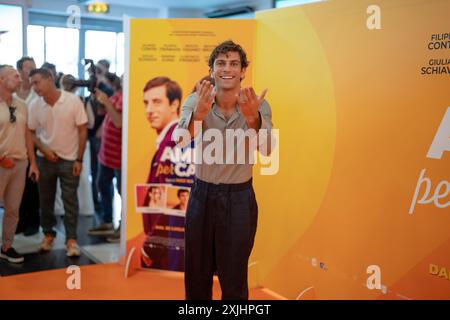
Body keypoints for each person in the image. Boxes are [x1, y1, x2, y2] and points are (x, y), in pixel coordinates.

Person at [174, 40, 274, 300]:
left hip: (239, 199)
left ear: (243, 71)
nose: (227, 68)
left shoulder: (259, 104)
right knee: (197, 275)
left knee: (234, 277)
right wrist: (198, 115)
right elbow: (180, 141)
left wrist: (253, 118)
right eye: (221, 63)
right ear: (211, 69)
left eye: (234, 63)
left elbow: (267, 150)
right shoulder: (196, 100)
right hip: (202, 196)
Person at [28, 68, 88, 257]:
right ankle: (48, 234)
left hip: (70, 160)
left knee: (70, 201)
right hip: (45, 159)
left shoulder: (72, 101)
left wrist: (79, 159)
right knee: (45, 200)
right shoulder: (35, 105)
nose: (34, 87)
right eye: (32, 84)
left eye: (37, 82)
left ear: (50, 79)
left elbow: (82, 130)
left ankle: (71, 240)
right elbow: (29, 132)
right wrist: (43, 150)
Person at [140, 76, 195, 271]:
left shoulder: (173, 140)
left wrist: (152, 245)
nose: (149, 110)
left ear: (174, 105)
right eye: (146, 103)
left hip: (169, 241)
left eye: (156, 102)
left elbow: (172, 200)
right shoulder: (170, 138)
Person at [0, 65, 39, 263]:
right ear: (1, 80)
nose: (20, 79)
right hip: (1, 163)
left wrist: (32, 162)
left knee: (13, 209)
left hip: (20, 163)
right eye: (15, 76)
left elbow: (27, 135)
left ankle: (6, 246)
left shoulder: (22, 104)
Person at [88, 73, 123, 237]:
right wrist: (98, 100)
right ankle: (107, 220)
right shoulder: (118, 95)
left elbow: (119, 122)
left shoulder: (129, 98)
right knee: (102, 185)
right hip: (106, 154)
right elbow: (104, 113)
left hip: (120, 157)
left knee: (122, 192)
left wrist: (106, 102)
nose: (122, 80)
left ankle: (123, 227)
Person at [15, 57, 40, 236]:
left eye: (34, 67)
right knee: (18, 187)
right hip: (16, 144)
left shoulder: (37, 92)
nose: (31, 71)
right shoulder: (12, 94)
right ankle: (21, 221)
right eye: (28, 68)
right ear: (19, 71)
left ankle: (33, 222)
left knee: (33, 185)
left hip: (36, 142)